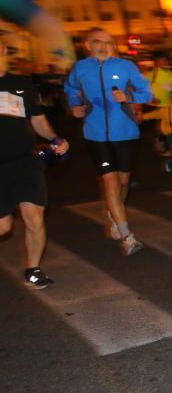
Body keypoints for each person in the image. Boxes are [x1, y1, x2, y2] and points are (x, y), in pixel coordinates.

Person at [64, 27, 152, 256]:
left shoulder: (126, 67)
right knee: (111, 183)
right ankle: (127, 236)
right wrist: (75, 106)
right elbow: (71, 89)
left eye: (108, 43)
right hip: (95, 135)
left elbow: (147, 93)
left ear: (114, 46)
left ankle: (114, 213)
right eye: (97, 42)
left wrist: (129, 97)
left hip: (126, 133)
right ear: (87, 45)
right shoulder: (80, 68)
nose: (103, 47)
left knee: (123, 181)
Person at [0, 42, 69, 288]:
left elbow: (38, 121)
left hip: (24, 162)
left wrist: (55, 139)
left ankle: (33, 269)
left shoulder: (21, 86)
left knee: (34, 217)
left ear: (4, 51)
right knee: (3, 226)